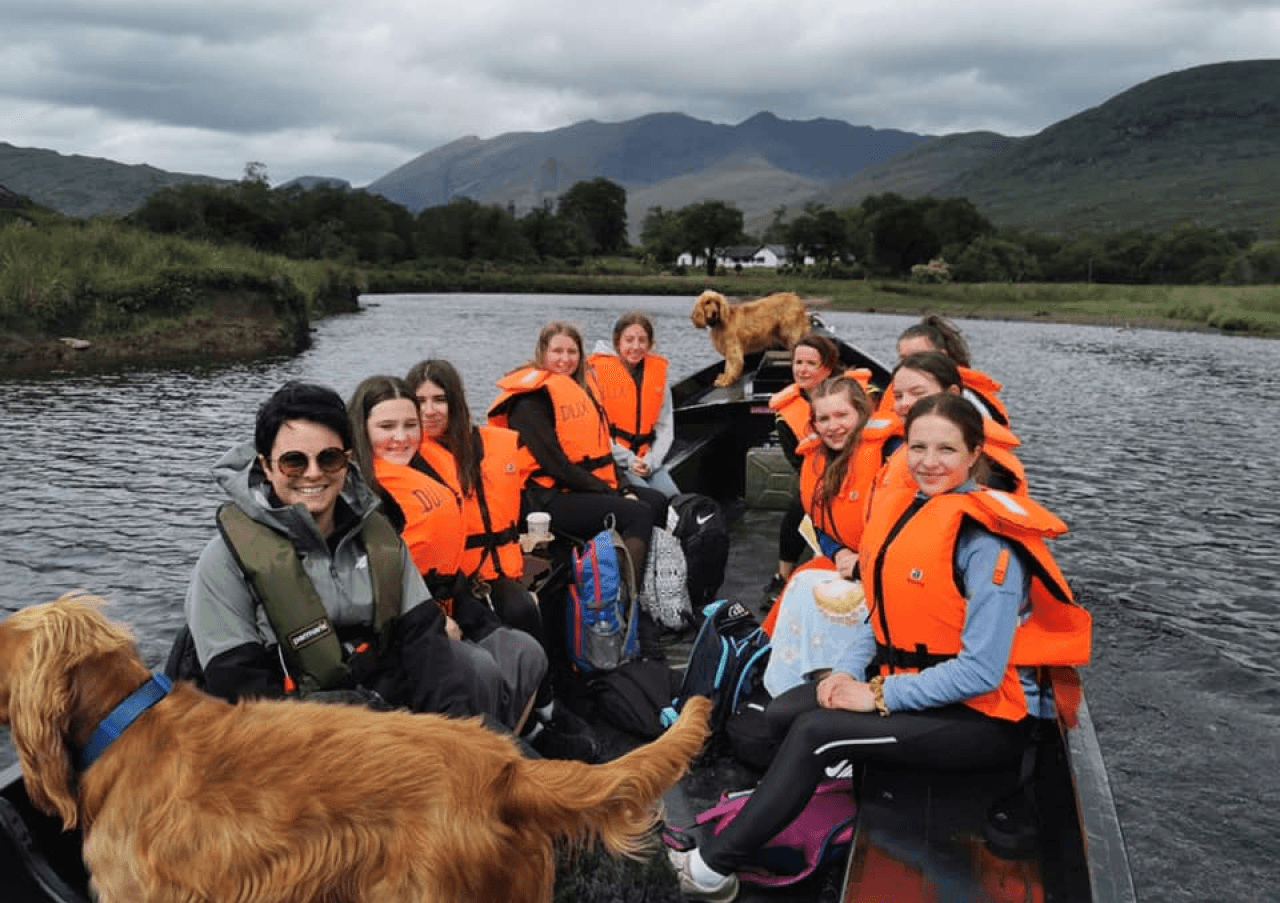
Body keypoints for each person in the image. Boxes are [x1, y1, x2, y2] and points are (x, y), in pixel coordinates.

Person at [669, 393, 1091, 901]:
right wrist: (846, 676)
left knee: (814, 733)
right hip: (907, 684)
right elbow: (878, 616)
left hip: (981, 718)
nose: (929, 462)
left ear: (975, 453)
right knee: (782, 713)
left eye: (946, 450)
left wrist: (878, 698)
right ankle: (805, 795)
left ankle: (710, 869)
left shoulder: (987, 546)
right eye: (918, 447)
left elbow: (980, 673)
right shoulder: (910, 514)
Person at [184, 381, 480, 720]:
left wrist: (460, 739)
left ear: (348, 461)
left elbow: (426, 650)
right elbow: (238, 690)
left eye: (329, 458)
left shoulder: (383, 541)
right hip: (290, 742)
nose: (313, 474)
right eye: (293, 462)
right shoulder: (223, 561)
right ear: (266, 467)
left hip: (394, 723)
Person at [347, 375, 578, 747]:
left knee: (524, 650)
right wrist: (437, 620)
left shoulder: (415, 475)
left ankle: (525, 731)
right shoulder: (363, 498)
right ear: (361, 428)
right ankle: (487, 759)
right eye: (386, 427)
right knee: (482, 669)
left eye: (410, 425)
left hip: (446, 601)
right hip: (399, 633)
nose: (401, 437)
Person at [405, 358, 601, 760]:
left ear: (455, 402)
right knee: (512, 612)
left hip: (494, 565)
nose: (430, 410)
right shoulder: (408, 458)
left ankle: (547, 705)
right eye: (420, 401)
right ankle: (525, 725)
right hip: (449, 576)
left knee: (526, 605)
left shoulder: (480, 444)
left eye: (439, 399)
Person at [488, 321, 668, 593]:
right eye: (557, 351)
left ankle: (649, 586)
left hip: (575, 488)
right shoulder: (530, 402)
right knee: (638, 514)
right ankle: (625, 602)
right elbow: (556, 465)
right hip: (544, 500)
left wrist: (625, 487)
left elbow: (601, 455)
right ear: (543, 353)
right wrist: (612, 493)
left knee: (657, 501)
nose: (564, 359)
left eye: (572, 352)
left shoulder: (580, 391)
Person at [762, 375, 877, 696]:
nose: (833, 426)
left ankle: (831, 681)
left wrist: (862, 562)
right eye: (824, 418)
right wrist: (838, 551)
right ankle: (786, 679)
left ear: (862, 413)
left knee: (812, 590)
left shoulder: (886, 456)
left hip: (878, 570)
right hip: (846, 561)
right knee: (800, 580)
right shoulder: (820, 461)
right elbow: (823, 524)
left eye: (842, 416)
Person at [760, 333, 840, 609]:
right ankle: (782, 575)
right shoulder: (786, 413)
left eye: (811, 363)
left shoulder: (850, 396)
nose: (802, 369)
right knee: (800, 505)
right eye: (798, 362)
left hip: (856, 470)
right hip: (815, 473)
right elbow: (796, 461)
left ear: (827, 368)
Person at [882, 351, 1026, 494]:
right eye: (898, 396)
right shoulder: (901, 445)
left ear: (952, 393)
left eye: (918, 393)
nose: (904, 403)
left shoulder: (990, 473)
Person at [587, 311, 681, 499]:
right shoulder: (596, 374)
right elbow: (595, 431)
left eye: (642, 340)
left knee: (672, 496)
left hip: (647, 460)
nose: (635, 347)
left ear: (650, 343)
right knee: (648, 498)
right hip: (613, 460)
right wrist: (629, 460)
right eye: (629, 340)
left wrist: (651, 462)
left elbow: (665, 427)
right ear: (617, 342)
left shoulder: (657, 375)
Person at [892, 315, 1010, 425]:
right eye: (903, 358)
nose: (909, 364)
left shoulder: (967, 401)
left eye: (919, 356)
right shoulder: (898, 389)